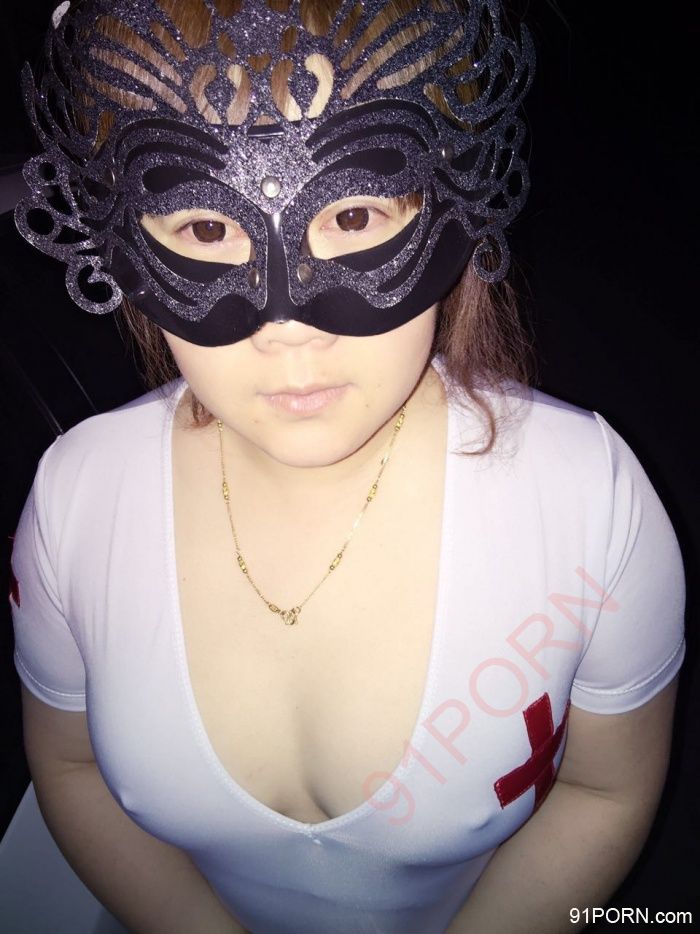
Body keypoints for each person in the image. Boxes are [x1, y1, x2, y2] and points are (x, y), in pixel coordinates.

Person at [9, 1, 685, 932]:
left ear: (455, 193)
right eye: (205, 228)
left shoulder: (592, 505)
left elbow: (606, 792)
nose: (288, 329)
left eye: (355, 213)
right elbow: (68, 763)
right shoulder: (76, 500)